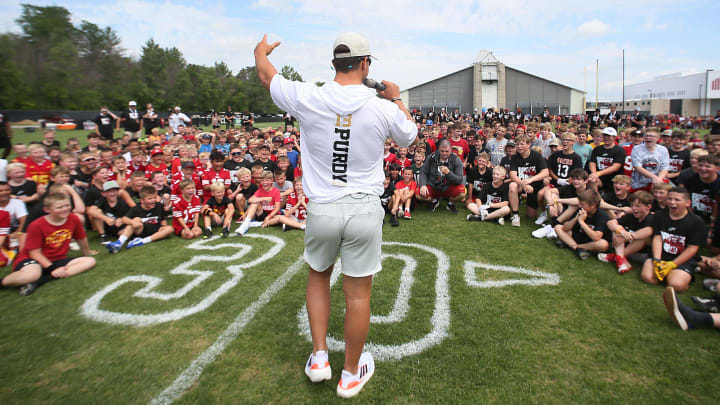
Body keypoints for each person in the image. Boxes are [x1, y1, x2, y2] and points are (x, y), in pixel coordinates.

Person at [255, 32, 416, 398]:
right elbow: (408, 136)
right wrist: (397, 98)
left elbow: (267, 76)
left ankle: (319, 358)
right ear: (365, 64)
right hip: (362, 208)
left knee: (318, 278)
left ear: (333, 65)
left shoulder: (309, 95)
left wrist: (260, 51)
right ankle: (349, 375)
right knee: (358, 296)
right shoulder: (383, 106)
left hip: (323, 207)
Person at [0, 192, 96, 296]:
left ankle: (40, 281)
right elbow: (34, 253)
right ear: (47, 210)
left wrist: (87, 252)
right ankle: (2, 282)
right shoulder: (36, 225)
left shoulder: (73, 219)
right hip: (32, 259)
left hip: (57, 259)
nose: (65, 209)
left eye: (67, 205)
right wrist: (52, 268)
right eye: (59, 207)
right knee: (32, 274)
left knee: (89, 261)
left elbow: (81, 238)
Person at [640, 187, 705, 292]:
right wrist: (657, 260)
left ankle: (679, 275)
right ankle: (670, 274)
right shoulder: (659, 215)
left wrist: (672, 264)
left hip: (682, 259)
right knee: (648, 278)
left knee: (676, 285)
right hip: (662, 255)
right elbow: (657, 237)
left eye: (677, 200)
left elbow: (692, 248)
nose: (672, 202)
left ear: (687, 203)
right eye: (669, 199)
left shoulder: (696, 222)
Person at [105, 186, 174, 253]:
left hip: (155, 230)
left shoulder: (158, 206)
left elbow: (162, 220)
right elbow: (124, 219)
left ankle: (142, 241)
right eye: (150, 199)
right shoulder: (137, 208)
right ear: (142, 200)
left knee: (170, 228)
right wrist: (132, 222)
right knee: (136, 219)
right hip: (141, 230)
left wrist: (164, 230)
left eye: (154, 198)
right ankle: (119, 243)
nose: (153, 200)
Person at [553, 189, 610, 260]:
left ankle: (573, 246)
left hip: (591, 242)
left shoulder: (602, 216)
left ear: (593, 206)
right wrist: (576, 219)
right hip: (578, 235)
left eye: (582, 204)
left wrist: (582, 222)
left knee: (603, 244)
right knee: (558, 227)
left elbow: (596, 237)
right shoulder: (580, 210)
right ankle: (576, 248)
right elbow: (565, 228)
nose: (579, 205)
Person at [417, 138, 466, 214]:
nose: (444, 153)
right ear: (438, 149)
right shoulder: (432, 157)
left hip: (448, 187)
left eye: (447, 151)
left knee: (462, 193)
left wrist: (448, 173)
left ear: (451, 150)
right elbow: (423, 172)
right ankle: (434, 201)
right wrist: (423, 185)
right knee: (418, 194)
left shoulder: (456, 160)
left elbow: (459, 180)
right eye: (442, 151)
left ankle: (450, 203)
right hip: (433, 186)